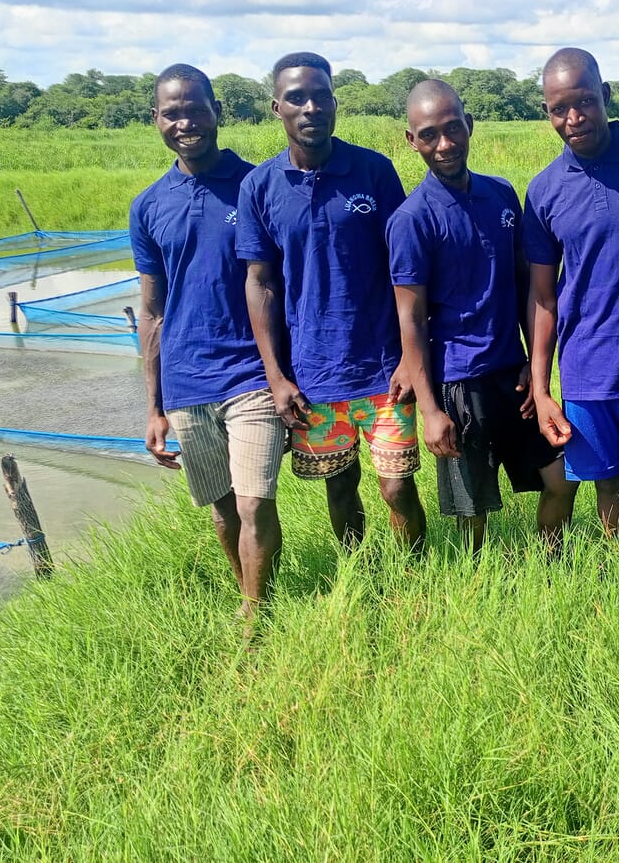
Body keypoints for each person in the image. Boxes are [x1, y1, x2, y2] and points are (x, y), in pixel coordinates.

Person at [237, 52, 427, 552]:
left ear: (334, 104)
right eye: (297, 98)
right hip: (313, 373)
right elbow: (261, 283)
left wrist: (411, 358)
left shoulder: (372, 171)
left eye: (320, 96)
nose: (310, 108)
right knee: (339, 487)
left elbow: (404, 268)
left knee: (397, 487)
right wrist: (276, 378)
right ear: (277, 107)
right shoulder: (260, 186)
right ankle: (357, 576)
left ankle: (415, 575)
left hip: (386, 368)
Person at [386, 80, 577, 553]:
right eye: (429, 134)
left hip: (511, 374)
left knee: (561, 478)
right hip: (457, 384)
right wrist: (430, 411)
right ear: (412, 140)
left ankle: (552, 567)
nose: (445, 144)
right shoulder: (412, 220)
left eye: (453, 128)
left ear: (469, 125)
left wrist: (538, 378)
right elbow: (410, 318)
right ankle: (477, 582)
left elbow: (523, 290)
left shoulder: (501, 195)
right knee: (472, 511)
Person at [130, 64, 287, 621]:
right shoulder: (148, 206)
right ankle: (256, 591)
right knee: (222, 510)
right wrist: (152, 407)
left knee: (253, 501)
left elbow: (277, 284)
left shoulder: (255, 186)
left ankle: (254, 618)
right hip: (186, 381)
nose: (185, 122)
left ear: (217, 111)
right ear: (156, 120)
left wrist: (285, 373)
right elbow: (151, 310)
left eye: (195, 108)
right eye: (172, 113)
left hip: (251, 374)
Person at [524, 48, 619, 558]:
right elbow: (543, 297)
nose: (573, 119)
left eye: (585, 102)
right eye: (558, 109)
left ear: (606, 95)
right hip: (584, 366)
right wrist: (544, 387)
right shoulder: (545, 190)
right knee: (607, 490)